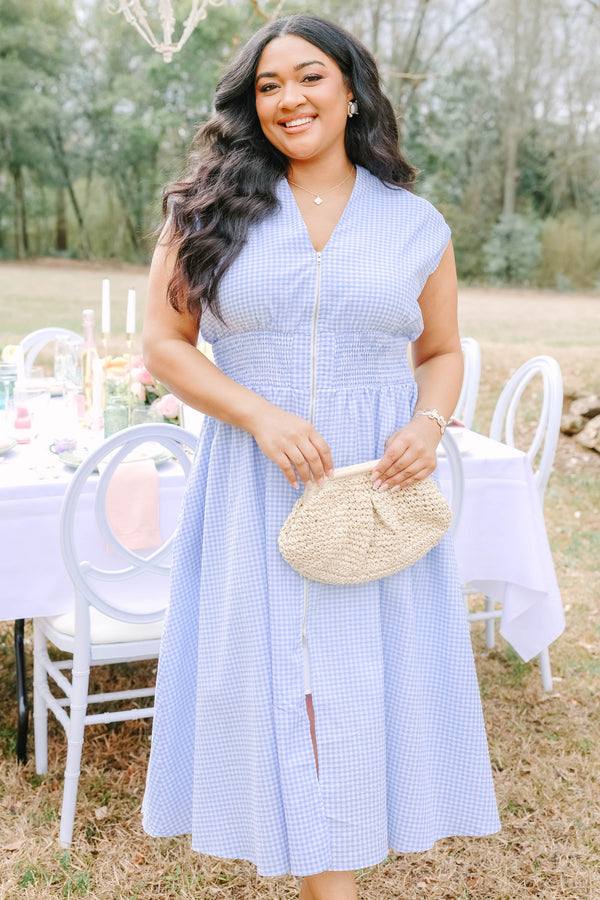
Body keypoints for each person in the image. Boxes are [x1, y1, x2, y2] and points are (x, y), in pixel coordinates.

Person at [141, 14, 500, 900]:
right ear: (249, 105)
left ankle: (332, 867)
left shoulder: (415, 223)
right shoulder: (206, 209)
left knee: (350, 686)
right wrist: (258, 415)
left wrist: (430, 422)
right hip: (253, 485)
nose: (288, 99)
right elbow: (164, 344)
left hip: (372, 491)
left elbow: (443, 352)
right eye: (267, 86)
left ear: (350, 91)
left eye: (308, 78)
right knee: (277, 688)